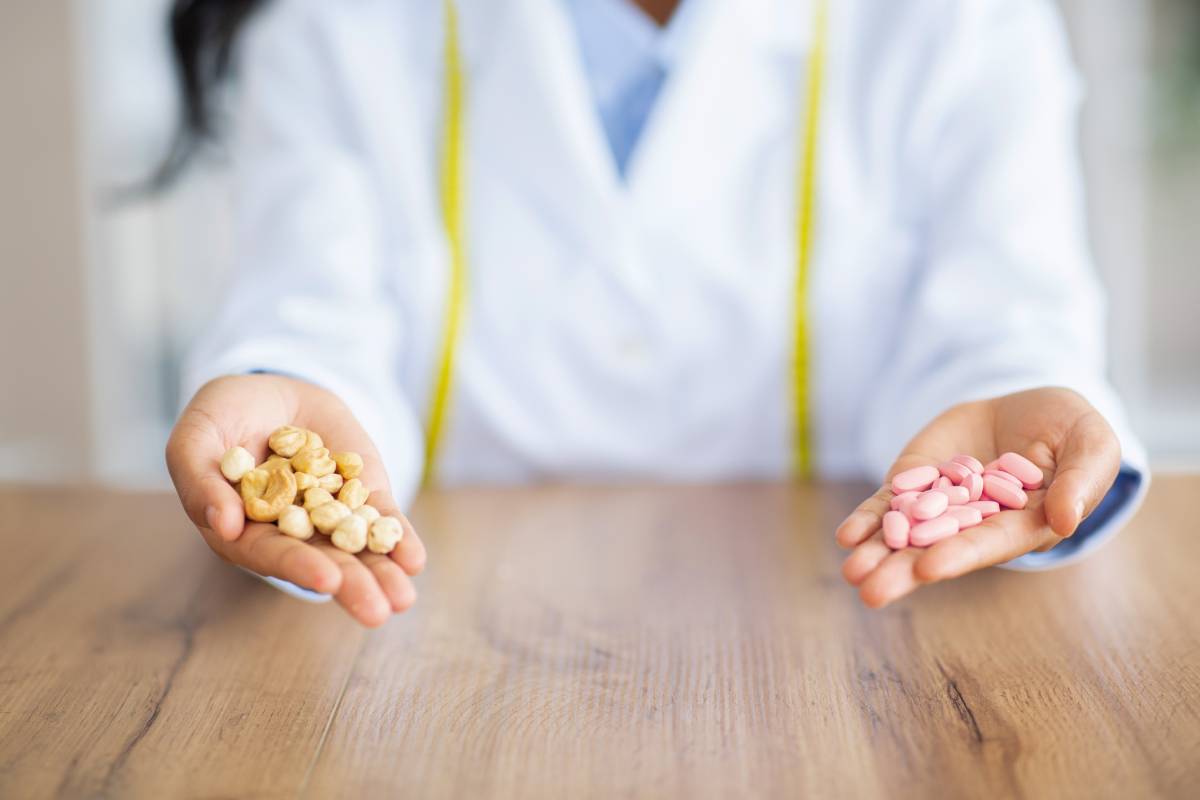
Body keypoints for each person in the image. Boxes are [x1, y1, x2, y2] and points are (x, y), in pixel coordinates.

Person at [164, 0, 1147, 627]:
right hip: (443, 633)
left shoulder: (967, 26)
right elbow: (313, 313)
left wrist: (1015, 399)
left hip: (839, 636)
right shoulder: (331, 33)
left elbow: (1001, 315)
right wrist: (288, 394)